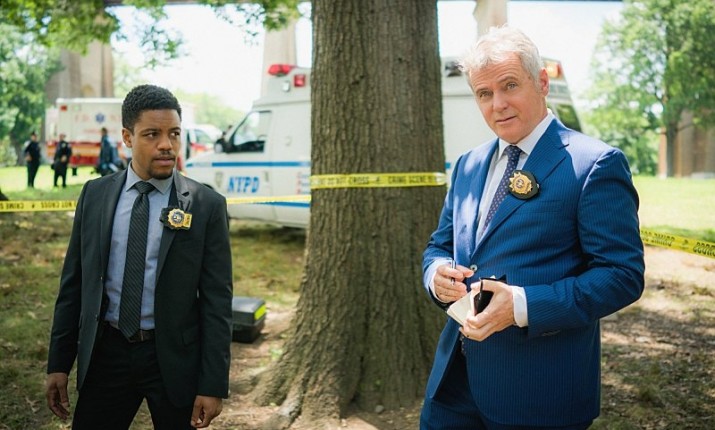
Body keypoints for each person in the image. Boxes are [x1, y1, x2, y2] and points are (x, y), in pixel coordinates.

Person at [420, 26, 645, 430]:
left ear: (542, 82)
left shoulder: (595, 164)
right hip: (452, 386)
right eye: (484, 93)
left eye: (510, 85)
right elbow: (440, 245)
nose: (498, 104)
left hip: (539, 392)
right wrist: (436, 275)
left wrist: (522, 306)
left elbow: (622, 276)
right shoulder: (468, 164)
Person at [45, 84, 234, 429]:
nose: (167, 144)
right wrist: (58, 363)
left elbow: (217, 301)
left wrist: (212, 383)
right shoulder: (95, 195)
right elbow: (73, 285)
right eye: (152, 134)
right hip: (107, 352)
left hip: (173, 360)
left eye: (174, 133)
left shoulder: (206, 205)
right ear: (127, 138)